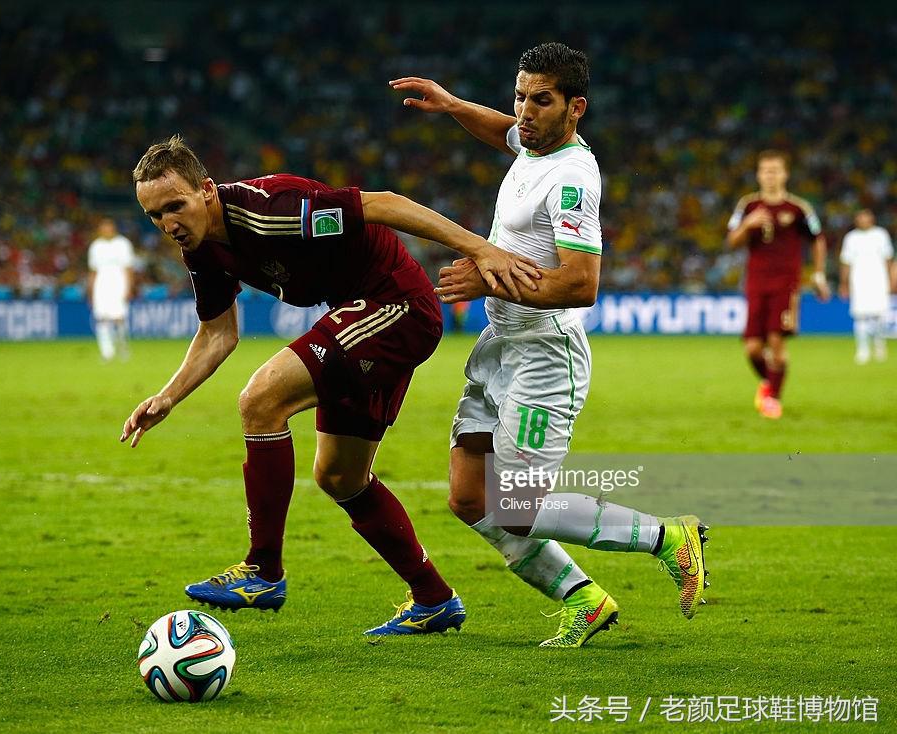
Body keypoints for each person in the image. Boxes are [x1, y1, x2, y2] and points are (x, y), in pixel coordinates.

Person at [120, 134, 540, 636]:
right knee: (340, 476)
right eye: (154, 216)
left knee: (261, 398)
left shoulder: (272, 209)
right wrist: (168, 396)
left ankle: (262, 570)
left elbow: (384, 204)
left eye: (175, 206)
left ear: (207, 190)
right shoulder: (203, 249)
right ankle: (433, 598)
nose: (168, 224)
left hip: (395, 305)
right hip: (358, 314)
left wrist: (480, 249)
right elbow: (218, 333)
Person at [390, 42, 708, 649]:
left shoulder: (570, 180)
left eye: (541, 101)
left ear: (575, 108)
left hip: (545, 353)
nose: (523, 113)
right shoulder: (534, 143)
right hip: (499, 343)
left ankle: (670, 537)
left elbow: (580, 282)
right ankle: (583, 600)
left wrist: (487, 275)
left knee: (518, 505)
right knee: (469, 497)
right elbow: (503, 132)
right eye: (520, 97)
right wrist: (455, 104)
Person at [726, 150, 830, 419]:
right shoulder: (747, 206)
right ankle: (769, 383)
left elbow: (817, 239)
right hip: (756, 282)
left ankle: (772, 398)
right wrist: (748, 225)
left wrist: (818, 274)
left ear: (785, 174)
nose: (770, 175)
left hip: (786, 283)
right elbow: (731, 241)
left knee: (776, 341)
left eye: (775, 170)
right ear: (759, 175)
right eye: (765, 170)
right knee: (752, 348)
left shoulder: (798, 209)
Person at [839, 209, 895, 364]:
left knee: (879, 315)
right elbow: (846, 262)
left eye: (866, 217)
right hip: (858, 280)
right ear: (856, 220)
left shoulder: (881, 235)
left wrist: (891, 279)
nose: (863, 220)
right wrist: (843, 283)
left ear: (872, 219)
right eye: (860, 217)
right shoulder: (851, 238)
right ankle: (862, 349)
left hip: (878, 279)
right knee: (860, 316)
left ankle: (879, 344)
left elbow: (888, 258)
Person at [87, 218, 135, 361]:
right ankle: (106, 352)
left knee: (119, 318)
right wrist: (90, 291)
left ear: (114, 229)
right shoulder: (95, 246)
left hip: (118, 282)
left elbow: (128, 268)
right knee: (101, 319)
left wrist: (129, 287)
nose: (106, 230)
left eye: (109, 227)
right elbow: (93, 271)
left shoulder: (123, 244)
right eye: (103, 228)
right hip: (101, 284)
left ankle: (122, 347)